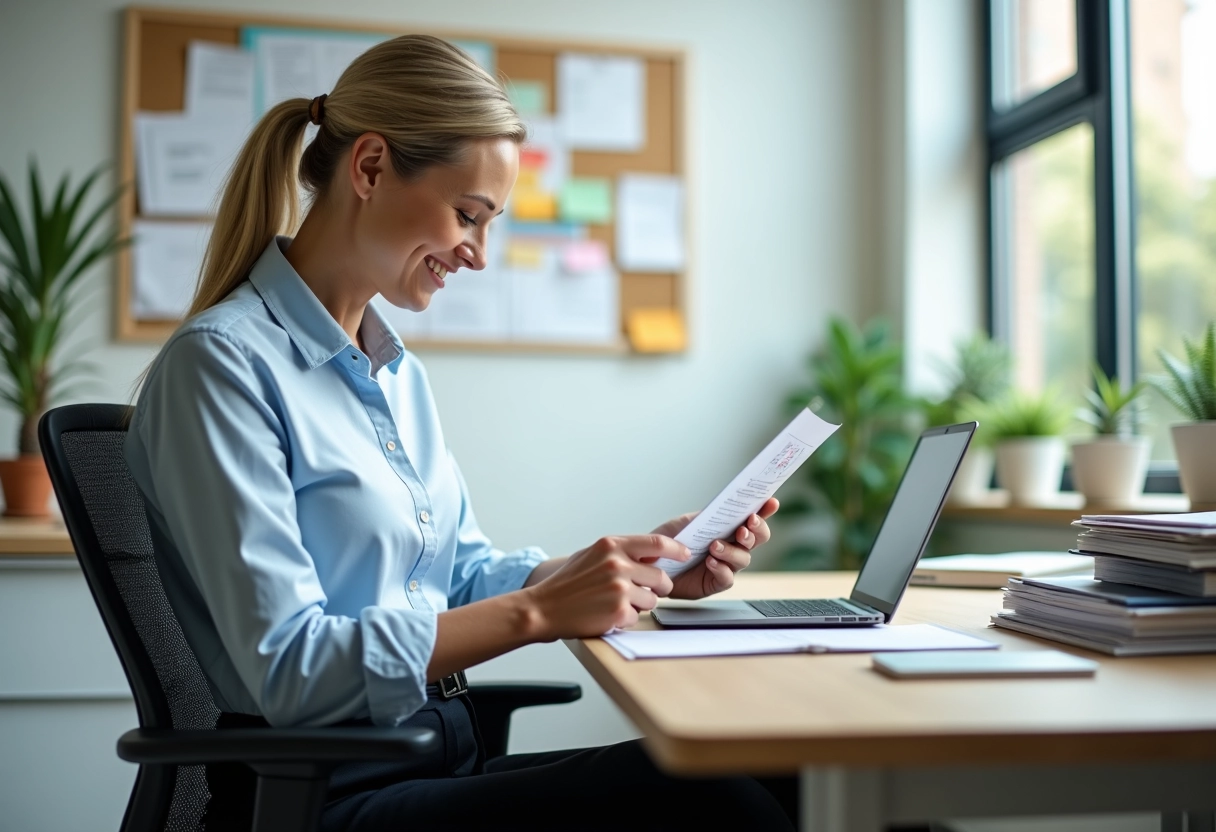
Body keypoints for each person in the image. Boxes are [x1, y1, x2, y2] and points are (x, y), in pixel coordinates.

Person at [125, 34, 794, 831]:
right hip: (321, 796)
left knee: (783, 769)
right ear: (369, 168)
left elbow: (463, 576)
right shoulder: (222, 369)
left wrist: (630, 573)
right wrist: (542, 613)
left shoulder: (394, 373)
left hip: (432, 755)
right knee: (720, 804)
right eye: (467, 215)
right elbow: (291, 670)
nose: (477, 253)